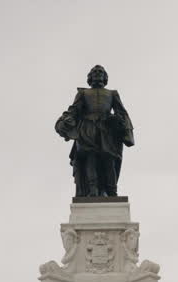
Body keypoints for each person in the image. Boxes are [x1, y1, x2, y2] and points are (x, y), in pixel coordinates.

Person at [55, 65, 134, 197]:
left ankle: (112, 192)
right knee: (90, 158)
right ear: (90, 77)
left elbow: (122, 112)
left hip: (107, 130)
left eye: (100, 72)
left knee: (109, 159)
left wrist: (121, 124)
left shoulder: (112, 93)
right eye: (95, 72)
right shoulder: (83, 93)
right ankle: (92, 190)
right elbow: (74, 110)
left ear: (105, 76)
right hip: (87, 129)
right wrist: (66, 120)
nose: (98, 74)